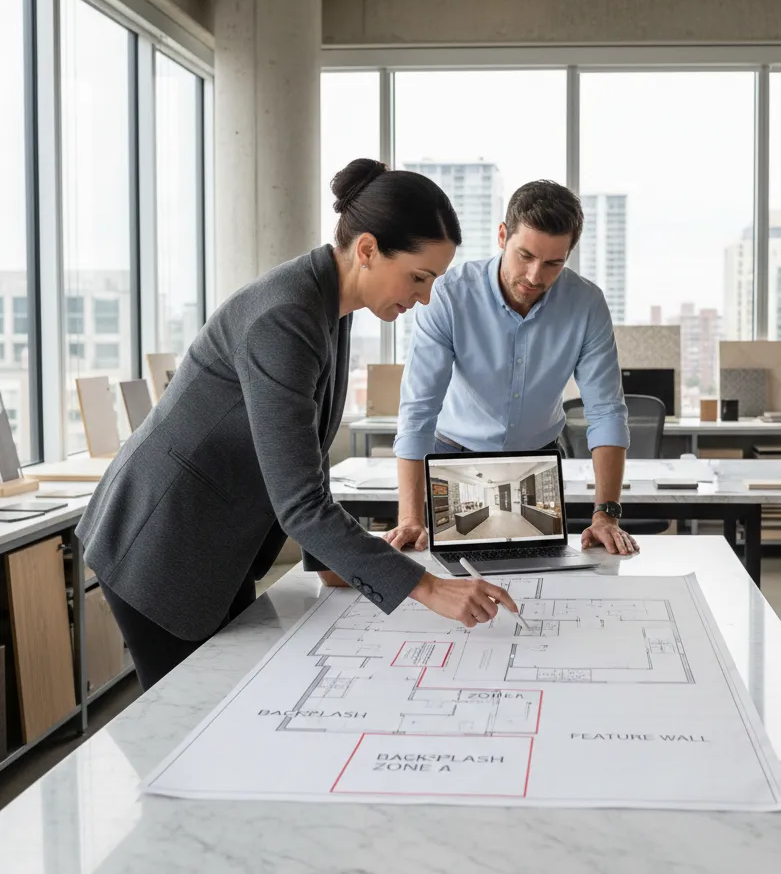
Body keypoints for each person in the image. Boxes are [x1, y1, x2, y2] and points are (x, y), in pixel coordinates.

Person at [77, 159, 518, 690]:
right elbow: (299, 500)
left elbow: (301, 453)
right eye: (419, 277)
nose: (425, 296)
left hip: (213, 544)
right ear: (368, 249)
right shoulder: (284, 316)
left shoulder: (331, 305)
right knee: (191, 728)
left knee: (228, 715)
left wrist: (334, 561)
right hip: (163, 543)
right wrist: (427, 587)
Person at [386, 179, 638, 557]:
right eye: (525, 255)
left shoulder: (586, 304)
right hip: (453, 458)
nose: (536, 276)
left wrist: (606, 515)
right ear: (503, 235)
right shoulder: (449, 295)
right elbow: (419, 411)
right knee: (453, 576)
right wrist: (410, 517)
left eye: (554, 262)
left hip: (538, 463)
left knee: (544, 575)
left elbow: (605, 411)